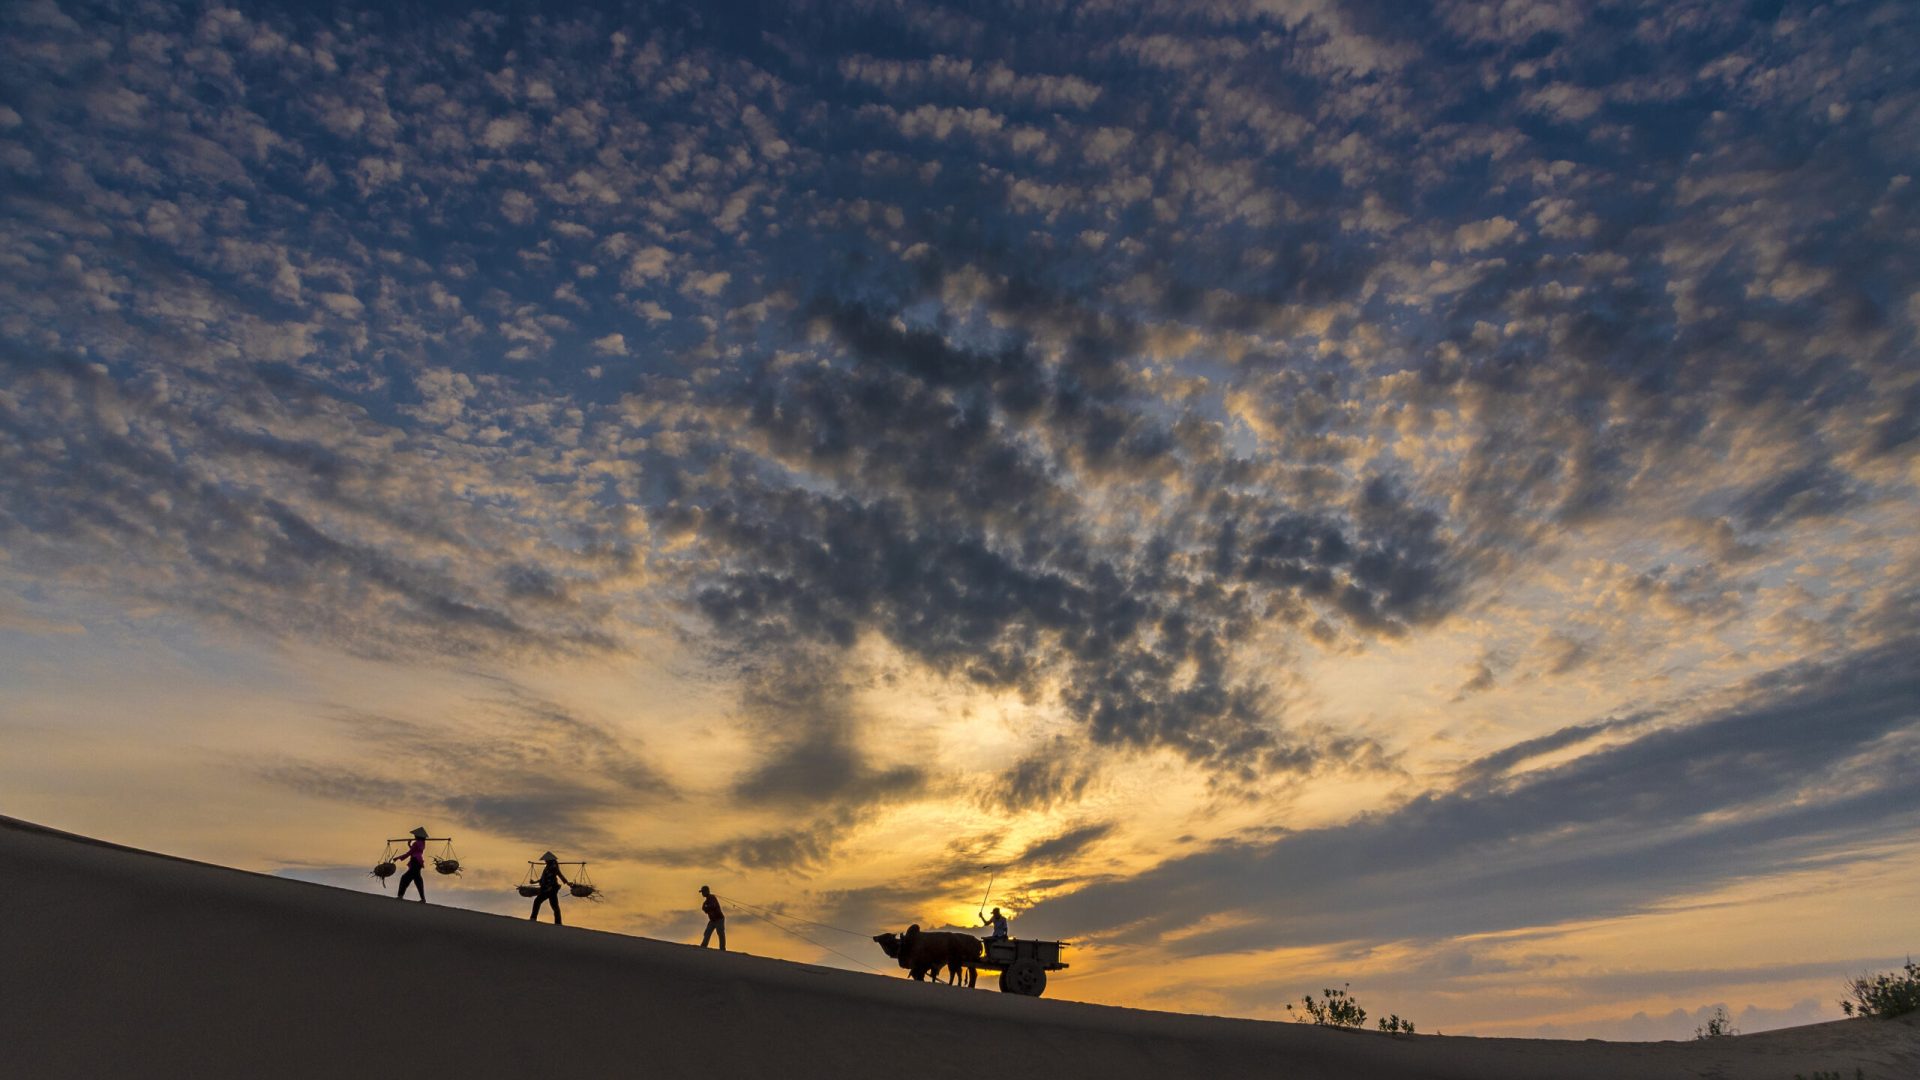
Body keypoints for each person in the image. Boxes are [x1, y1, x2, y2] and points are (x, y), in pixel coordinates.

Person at [530, 852, 570, 925]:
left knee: (540, 902)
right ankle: (558, 922)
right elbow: (543, 878)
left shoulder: (553, 866)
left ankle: (534, 918)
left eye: (546, 860)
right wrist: (534, 882)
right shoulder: (548, 867)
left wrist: (566, 882)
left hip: (551, 889)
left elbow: (559, 874)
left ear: (549, 860)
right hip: (546, 888)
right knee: (552, 905)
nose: (545, 861)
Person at [396, 826, 429, 902]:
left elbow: (410, 853)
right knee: (417, 880)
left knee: (405, 878)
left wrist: (398, 857)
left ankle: (400, 896)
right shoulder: (422, 843)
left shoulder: (417, 843)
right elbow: (416, 851)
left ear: (417, 836)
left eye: (415, 835)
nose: (414, 836)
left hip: (415, 862)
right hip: (418, 862)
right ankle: (422, 899)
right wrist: (409, 845)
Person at [698, 885, 726, 950]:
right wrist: (706, 907)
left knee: (720, 933)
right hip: (713, 920)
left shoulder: (712, 898)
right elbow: (704, 909)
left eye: (703, 892)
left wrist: (706, 908)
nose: (702, 893)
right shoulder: (707, 900)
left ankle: (722, 949)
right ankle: (703, 946)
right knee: (707, 932)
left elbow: (712, 906)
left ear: (707, 891)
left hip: (719, 919)